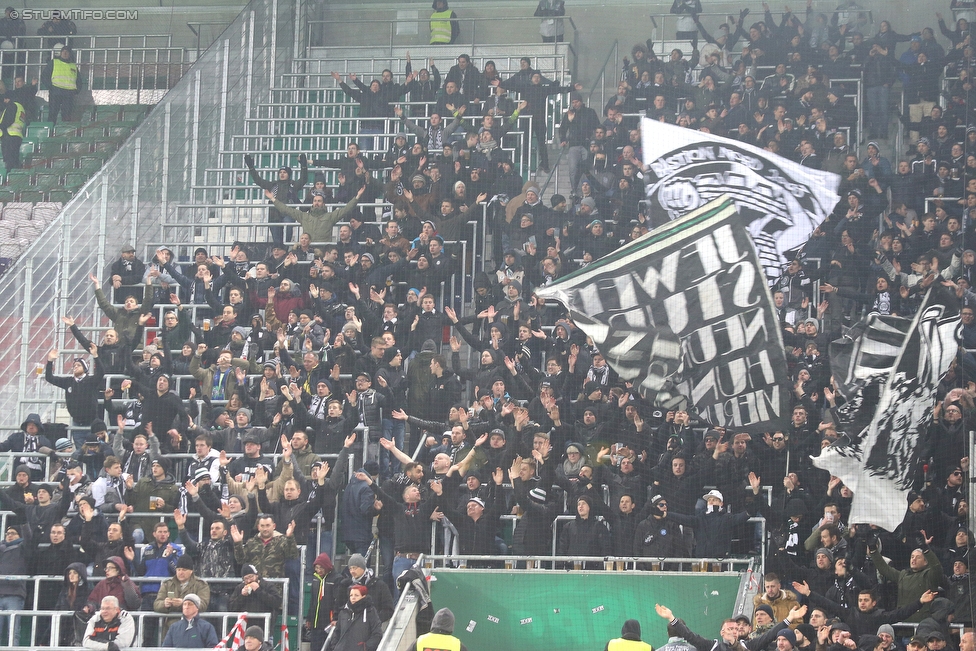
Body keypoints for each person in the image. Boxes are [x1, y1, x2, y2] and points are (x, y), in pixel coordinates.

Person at [326, 584, 383, 651]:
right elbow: (337, 632)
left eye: (356, 595)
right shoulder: (343, 612)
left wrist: (365, 647)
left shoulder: (370, 612)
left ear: (363, 596)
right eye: (351, 595)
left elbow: (377, 633)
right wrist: (336, 646)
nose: (353, 597)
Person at [42, 46, 78, 124]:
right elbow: (45, 76)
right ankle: (50, 133)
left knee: (67, 115)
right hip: (56, 92)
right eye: (63, 51)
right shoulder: (54, 62)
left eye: (67, 52)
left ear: (70, 54)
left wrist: (76, 91)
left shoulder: (73, 66)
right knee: (52, 114)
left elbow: (78, 80)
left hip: (69, 94)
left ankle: (64, 132)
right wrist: (50, 87)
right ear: (60, 53)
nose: (65, 53)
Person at [0, 95, 26, 169]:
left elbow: (8, 121)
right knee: (14, 160)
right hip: (17, 136)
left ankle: (9, 177)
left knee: (9, 161)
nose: (4, 101)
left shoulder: (12, 105)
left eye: (5, 99)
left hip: (9, 136)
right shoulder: (21, 108)